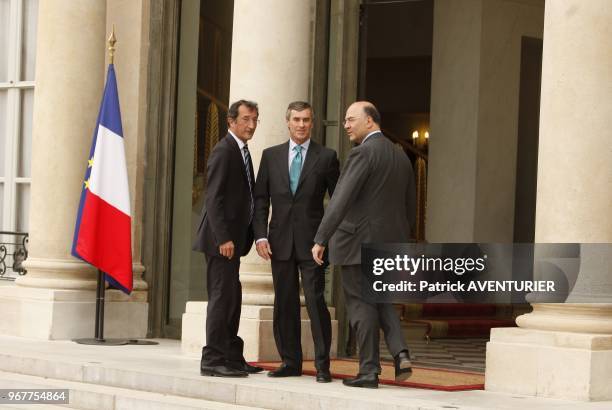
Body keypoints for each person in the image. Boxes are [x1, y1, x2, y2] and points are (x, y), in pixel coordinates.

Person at [311, 101, 416, 388]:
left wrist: (321, 238)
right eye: (344, 120)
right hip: (389, 245)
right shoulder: (401, 156)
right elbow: (410, 207)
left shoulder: (362, 153)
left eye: (351, 119)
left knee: (360, 306)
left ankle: (369, 371)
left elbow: (341, 199)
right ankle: (401, 353)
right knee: (382, 301)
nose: (345, 125)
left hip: (358, 244)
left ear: (370, 121)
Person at [254, 101, 340, 383]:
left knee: (315, 302)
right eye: (297, 120)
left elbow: (337, 201)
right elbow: (260, 200)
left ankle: (323, 365)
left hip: (313, 243)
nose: (301, 125)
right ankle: (290, 361)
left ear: (312, 123)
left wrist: (325, 238)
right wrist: (261, 235)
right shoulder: (270, 156)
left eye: (306, 120)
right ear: (287, 122)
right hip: (278, 242)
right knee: (285, 302)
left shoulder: (326, 157)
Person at [193, 100, 264, 377]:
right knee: (222, 299)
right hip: (219, 242)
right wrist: (224, 237)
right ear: (231, 121)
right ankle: (212, 360)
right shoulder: (224, 151)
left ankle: (232, 356)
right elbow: (213, 199)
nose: (251, 125)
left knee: (232, 298)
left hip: (233, 242)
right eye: (246, 119)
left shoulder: (242, 151)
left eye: (255, 120)